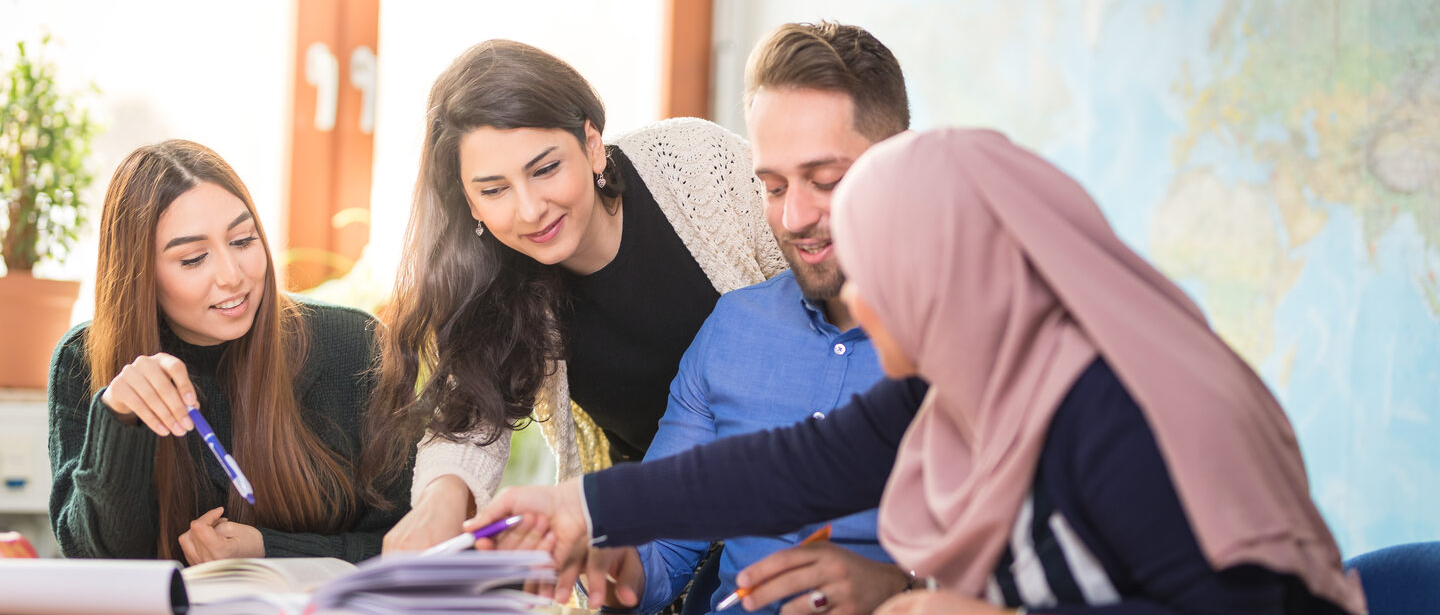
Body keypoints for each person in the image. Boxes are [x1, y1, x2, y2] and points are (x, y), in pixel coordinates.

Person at [476, 128, 1368, 615]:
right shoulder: (980, 384)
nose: (860, 307)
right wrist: (577, 506)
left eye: (879, 276)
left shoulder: (1127, 418)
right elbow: (793, 466)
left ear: (956, 273)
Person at [365, 40, 787, 552]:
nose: (529, 210)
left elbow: (827, 299)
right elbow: (470, 416)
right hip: (658, 538)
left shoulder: (696, 165)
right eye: (493, 190)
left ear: (591, 144)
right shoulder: (494, 279)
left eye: (544, 169)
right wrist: (438, 505)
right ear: (470, 203)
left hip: (792, 493)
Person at [610, 22, 914, 615]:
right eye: (772, 187)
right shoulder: (734, 328)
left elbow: (1055, 568)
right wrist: (610, 562)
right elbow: (663, 548)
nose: (794, 217)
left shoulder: (982, 338)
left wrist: (900, 588)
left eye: (825, 181)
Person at [48, 140, 411, 564]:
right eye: (193, 258)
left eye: (242, 240)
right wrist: (120, 419)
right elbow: (95, 561)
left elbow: (415, 546)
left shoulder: (356, 345)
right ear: (139, 274)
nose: (232, 276)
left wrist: (267, 549)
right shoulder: (82, 361)